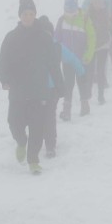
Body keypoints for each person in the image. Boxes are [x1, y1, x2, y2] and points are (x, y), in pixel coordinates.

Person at [0, 0, 59, 175]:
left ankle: (33, 160)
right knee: (14, 122)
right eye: (25, 13)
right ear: (20, 15)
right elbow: (3, 60)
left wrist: (59, 84)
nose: (28, 17)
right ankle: (21, 142)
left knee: (37, 126)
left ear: (35, 15)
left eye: (31, 13)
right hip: (18, 89)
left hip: (39, 89)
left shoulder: (44, 37)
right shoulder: (11, 37)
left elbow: (53, 62)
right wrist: (5, 79)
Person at [55, 0, 95, 121]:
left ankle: (85, 105)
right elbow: (57, 39)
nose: (69, 11)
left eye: (71, 8)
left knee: (82, 81)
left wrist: (88, 55)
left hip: (82, 59)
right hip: (67, 60)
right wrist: (58, 55)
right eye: (67, 8)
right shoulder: (61, 20)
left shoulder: (84, 19)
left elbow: (92, 38)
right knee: (68, 84)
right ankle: (66, 110)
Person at [83, 0, 112, 106]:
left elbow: (111, 26)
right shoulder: (87, 13)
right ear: (92, 2)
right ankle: (89, 91)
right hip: (91, 46)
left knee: (101, 70)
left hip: (103, 45)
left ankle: (101, 95)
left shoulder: (106, 11)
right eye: (95, 2)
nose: (98, 4)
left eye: (100, 2)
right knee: (90, 71)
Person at [36, 16, 66, 158]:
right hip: (37, 88)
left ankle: (50, 145)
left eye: (48, 33)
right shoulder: (33, 48)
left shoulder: (56, 46)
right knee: (40, 116)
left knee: (49, 116)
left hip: (53, 88)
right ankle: (40, 141)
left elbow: (70, 56)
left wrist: (80, 69)